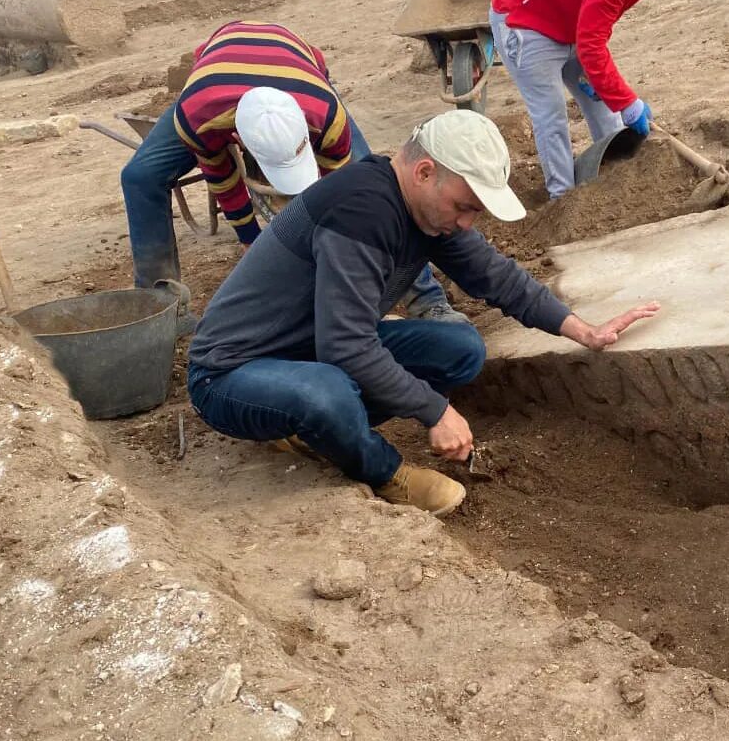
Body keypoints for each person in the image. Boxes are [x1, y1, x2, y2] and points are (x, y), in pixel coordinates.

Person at [187, 110, 659, 517]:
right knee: (327, 391)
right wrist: (435, 411)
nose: (466, 222)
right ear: (425, 172)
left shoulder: (427, 211)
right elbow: (345, 345)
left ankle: (314, 431)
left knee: (460, 349)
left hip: (308, 353)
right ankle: (386, 473)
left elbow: (495, 275)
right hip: (232, 374)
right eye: (464, 207)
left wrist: (583, 330)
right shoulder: (361, 212)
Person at [119, 20, 464, 328]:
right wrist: (251, 240)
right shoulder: (198, 116)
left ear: (305, 129)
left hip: (299, 66)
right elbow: (222, 178)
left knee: (377, 186)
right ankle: (161, 311)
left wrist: (341, 257)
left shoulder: (327, 115)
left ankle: (428, 301)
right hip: (216, 79)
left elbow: (353, 196)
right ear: (236, 139)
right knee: (139, 177)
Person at [488, 0, 708, 199]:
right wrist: (629, 101)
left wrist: (610, 91)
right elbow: (592, 46)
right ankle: (563, 200)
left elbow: (594, 33)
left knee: (606, 109)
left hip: (568, 23)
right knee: (550, 114)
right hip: (522, 18)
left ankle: (616, 182)